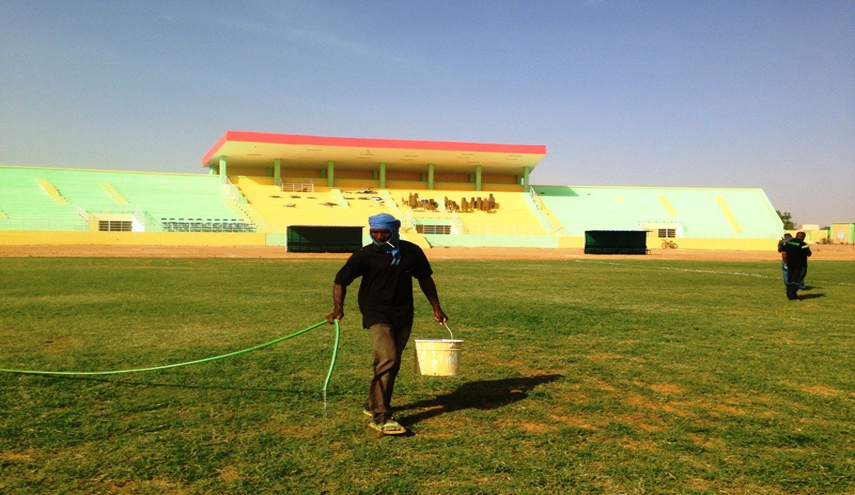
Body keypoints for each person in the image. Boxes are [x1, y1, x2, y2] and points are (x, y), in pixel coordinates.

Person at [327, 213, 448, 435]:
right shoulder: (365, 254)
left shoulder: (411, 252)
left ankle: (373, 403)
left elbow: (425, 279)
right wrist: (338, 308)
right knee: (388, 359)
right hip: (376, 313)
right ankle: (381, 416)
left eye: (384, 232)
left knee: (390, 362)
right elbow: (340, 281)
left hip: (403, 312)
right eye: (375, 232)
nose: (380, 236)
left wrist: (436, 307)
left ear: (395, 231)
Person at [780, 231, 811, 301]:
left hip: (790, 264)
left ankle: (789, 294)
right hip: (800, 265)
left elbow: (783, 252)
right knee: (797, 280)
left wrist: (785, 262)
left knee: (790, 279)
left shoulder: (788, 242)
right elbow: (809, 254)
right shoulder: (803, 244)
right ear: (803, 237)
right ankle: (792, 296)